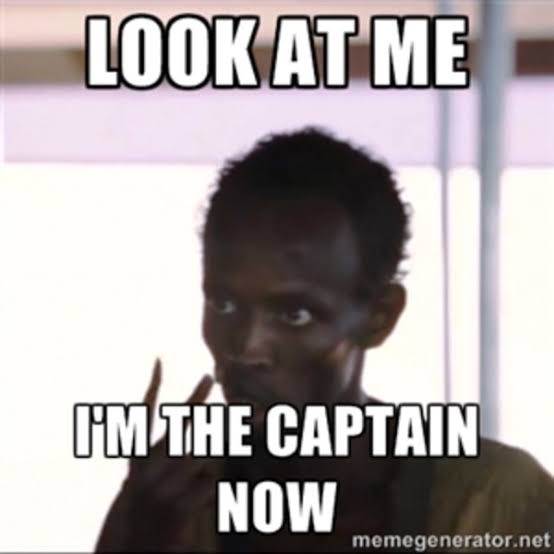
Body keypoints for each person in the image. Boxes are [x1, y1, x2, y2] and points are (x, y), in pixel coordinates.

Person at [95, 128, 554, 552]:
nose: (246, 348)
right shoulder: (175, 500)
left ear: (379, 317)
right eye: (224, 304)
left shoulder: (491, 500)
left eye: (294, 314)